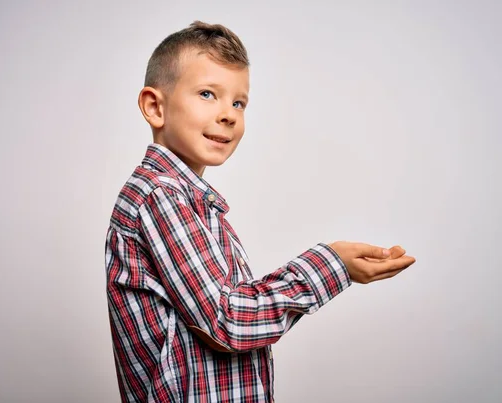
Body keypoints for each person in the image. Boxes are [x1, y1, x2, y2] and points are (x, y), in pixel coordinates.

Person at [105, 20, 416, 403]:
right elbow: (227, 320)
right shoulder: (161, 197)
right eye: (207, 94)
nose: (229, 114)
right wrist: (333, 265)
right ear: (155, 106)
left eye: (239, 102)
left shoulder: (187, 201)